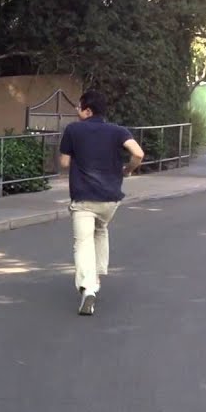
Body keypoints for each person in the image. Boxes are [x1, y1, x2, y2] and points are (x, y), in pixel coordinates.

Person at [58, 90, 145, 316]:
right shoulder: (118, 131)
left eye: (79, 108)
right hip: (110, 198)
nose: (77, 112)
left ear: (88, 110)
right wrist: (128, 169)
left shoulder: (73, 130)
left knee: (82, 242)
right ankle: (97, 274)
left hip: (84, 197)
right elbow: (138, 153)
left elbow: (65, 162)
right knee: (101, 229)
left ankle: (88, 289)